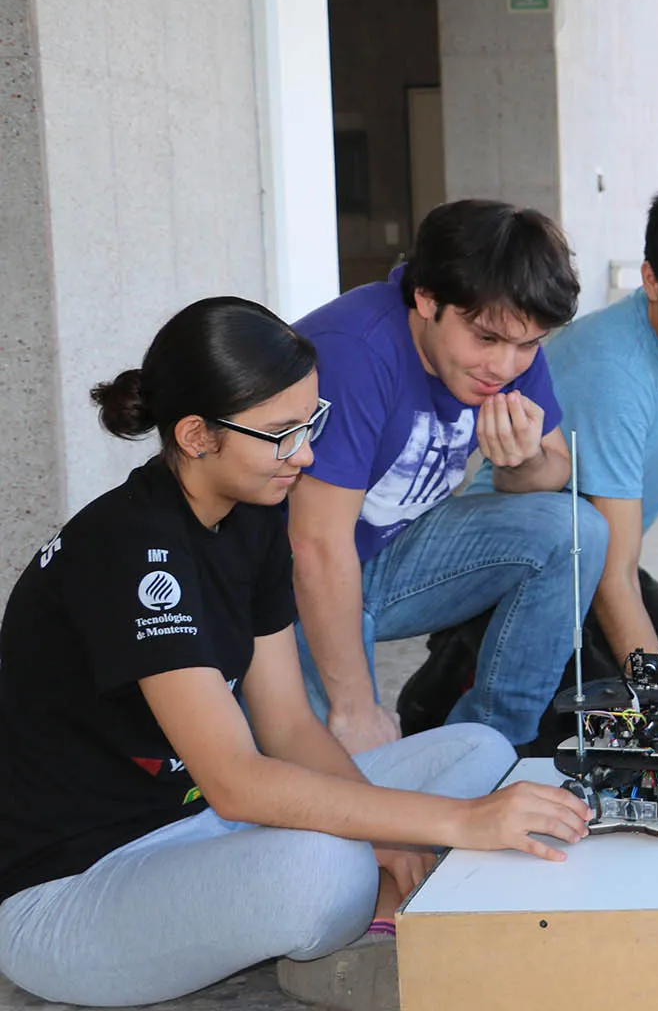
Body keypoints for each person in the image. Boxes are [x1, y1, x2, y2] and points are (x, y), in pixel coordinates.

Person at [0, 298, 590, 1009]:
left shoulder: (248, 517)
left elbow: (287, 727)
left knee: (477, 750)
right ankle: (354, 923)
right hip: (72, 889)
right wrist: (452, 824)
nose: (306, 455)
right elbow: (240, 783)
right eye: (281, 435)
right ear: (195, 435)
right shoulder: (131, 548)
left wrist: (389, 827)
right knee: (325, 865)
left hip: (194, 826)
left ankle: (364, 917)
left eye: (311, 424)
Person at [448, 181, 658, 757]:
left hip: (596, 563)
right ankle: (452, 677)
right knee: (608, 746)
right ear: (652, 282)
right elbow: (611, 576)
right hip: (510, 577)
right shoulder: (612, 371)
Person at [288, 200, 607, 755]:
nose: (505, 368)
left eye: (528, 344)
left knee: (577, 529)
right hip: (287, 575)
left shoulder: (508, 342)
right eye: (486, 339)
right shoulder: (355, 352)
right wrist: (356, 707)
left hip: (389, 548)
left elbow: (554, 467)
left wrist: (521, 460)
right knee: (348, 778)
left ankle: (488, 749)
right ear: (427, 299)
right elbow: (313, 545)